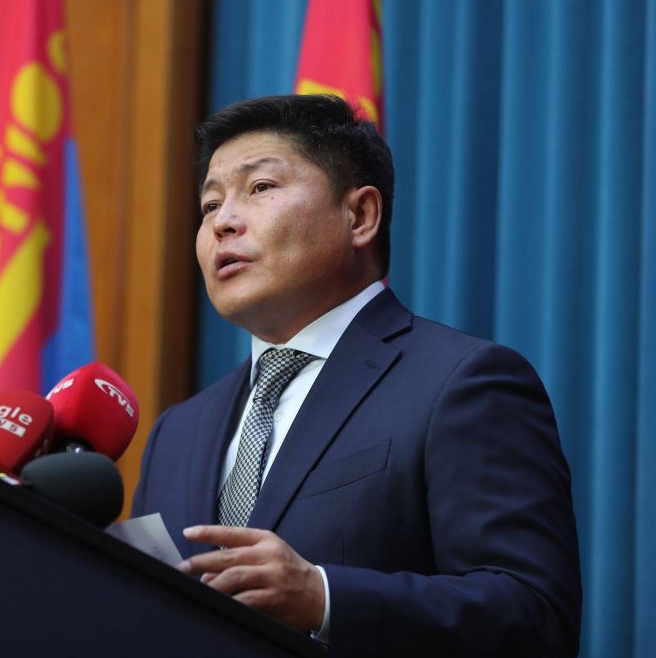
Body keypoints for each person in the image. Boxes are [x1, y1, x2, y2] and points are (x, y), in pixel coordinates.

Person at [131, 95, 581, 656]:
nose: (223, 222)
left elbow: (535, 616)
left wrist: (323, 597)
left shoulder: (463, 383)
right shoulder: (175, 434)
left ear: (361, 216)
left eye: (261, 187)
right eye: (210, 204)